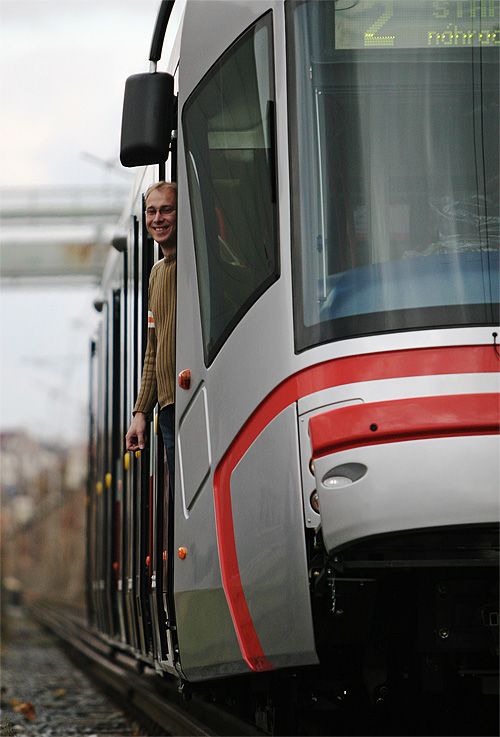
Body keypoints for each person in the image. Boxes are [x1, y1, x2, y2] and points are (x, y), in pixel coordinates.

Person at [125, 181, 177, 491]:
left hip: (194, 397)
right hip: (168, 407)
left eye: (166, 210)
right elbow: (152, 349)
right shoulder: (157, 273)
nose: (157, 218)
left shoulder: (198, 262)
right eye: (151, 211)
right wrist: (141, 412)